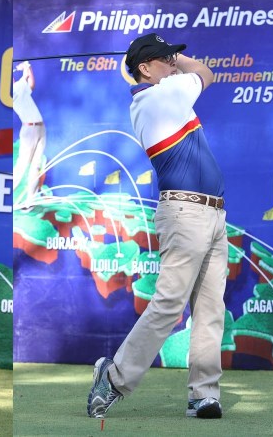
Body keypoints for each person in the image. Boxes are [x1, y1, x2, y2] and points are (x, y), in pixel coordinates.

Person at [88, 33, 225, 419]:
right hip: (185, 213)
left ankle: (204, 395)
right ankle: (113, 379)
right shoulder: (158, 96)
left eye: (173, 58)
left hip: (213, 214)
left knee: (210, 308)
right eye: (165, 59)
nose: (173, 63)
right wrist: (180, 61)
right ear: (146, 69)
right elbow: (204, 70)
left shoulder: (166, 93)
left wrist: (166, 57)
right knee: (169, 304)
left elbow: (192, 70)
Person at [10, 60, 45, 209]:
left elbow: (29, 82)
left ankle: (31, 201)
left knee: (35, 166)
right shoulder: (15, 89)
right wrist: (26, 66)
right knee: (22, 166)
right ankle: (8, 198)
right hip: (29, 129)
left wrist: (25, 68)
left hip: (39, 127)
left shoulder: (18, 87)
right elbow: (30, 81)